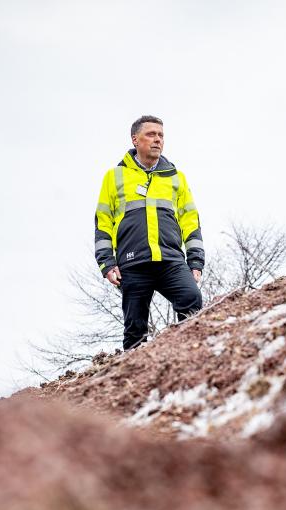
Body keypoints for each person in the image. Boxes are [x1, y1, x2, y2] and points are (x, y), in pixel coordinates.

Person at [94, 115, 205, 350]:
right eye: (151, 134)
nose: (158, 140)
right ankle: (134, 379)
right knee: (135, 328)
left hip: (171, 260)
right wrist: (106, 263)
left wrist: (195, 262)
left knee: (191, 300)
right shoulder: (114, 177)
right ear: (135, 139)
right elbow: (103, 222)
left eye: (161, 135)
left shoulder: (176, 177)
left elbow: (191, 222)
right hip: (133, 264)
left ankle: (186, 356)